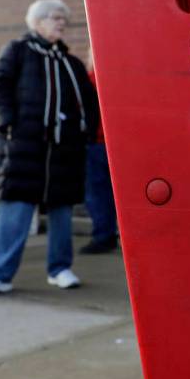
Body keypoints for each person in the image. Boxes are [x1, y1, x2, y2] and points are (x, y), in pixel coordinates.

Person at [0, 0, 99, 295]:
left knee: (62, 212)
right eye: (55, 17)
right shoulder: (17, 51)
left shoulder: (71, 63)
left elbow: (90, 103)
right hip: (21, 149)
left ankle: (60, 268)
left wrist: (84, 132)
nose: (61, 23)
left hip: (63, 151)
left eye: (63, 19)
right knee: (14, 210)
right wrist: (9, 123)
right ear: (37, 21)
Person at [79, 73, 118, 254]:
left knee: (97, 194)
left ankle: (104, 236)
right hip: (119, 144)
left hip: (98, 142)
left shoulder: (91, 78)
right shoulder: (123, 73)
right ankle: (108, 235)